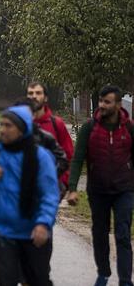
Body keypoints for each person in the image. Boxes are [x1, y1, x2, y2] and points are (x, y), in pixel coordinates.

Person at [0, 105, 59, 286]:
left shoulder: (40, 156)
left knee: (38, 280)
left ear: (22, 128)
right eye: (1, 125)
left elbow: (50, 194)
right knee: (6, 280)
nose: (3, 130)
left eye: (8, 126)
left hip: (33, 231)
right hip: (4, 231)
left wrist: (43, 223)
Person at [67, 85, 134, 286]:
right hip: (97, 190)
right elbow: (78, 159)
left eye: (107, 102)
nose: (102, 105)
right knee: (99, 233)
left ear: (118, 104)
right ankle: (103, 273)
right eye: (101, 101)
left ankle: (125, 280)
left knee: (122, 233)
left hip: (124, 189)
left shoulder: (129, 128)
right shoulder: (89, 128)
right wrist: (72, 188)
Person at [27, 82, 74, 196]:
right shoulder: (20, 123)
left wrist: (63, 182)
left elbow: (69, 154)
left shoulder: (57, 124)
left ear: (46, 97)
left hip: (50, 187)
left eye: (38, 93)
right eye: (30, 93)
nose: (34, 96)